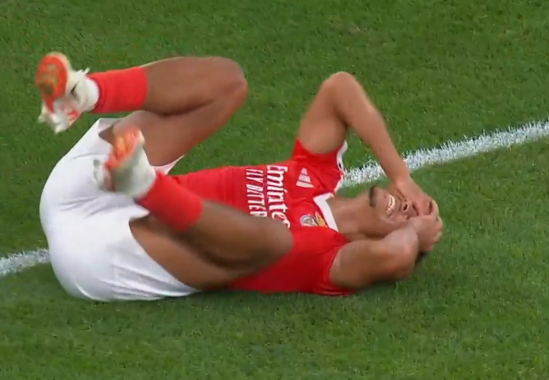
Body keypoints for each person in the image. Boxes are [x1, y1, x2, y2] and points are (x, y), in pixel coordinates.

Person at [38, 52, 442, 302]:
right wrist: (404, 178)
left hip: (101, 259)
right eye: (412, 209)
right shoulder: (317, 174)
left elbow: (396, 254)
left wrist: (418, 237)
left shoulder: (330, 259)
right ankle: (85, 93)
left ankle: (143, 183)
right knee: (229, 82)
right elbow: (340, 88)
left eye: (407, 217)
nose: (407, 209)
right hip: (85, 190)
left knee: (276, 241)